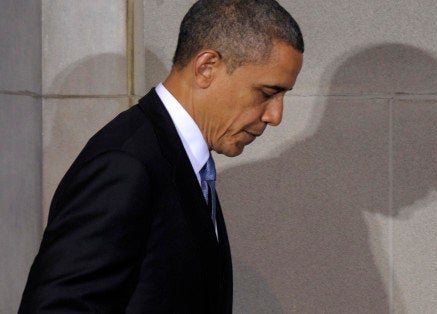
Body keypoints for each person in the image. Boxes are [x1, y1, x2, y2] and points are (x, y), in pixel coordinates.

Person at [19, 0, 303, 312]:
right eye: (266, 93)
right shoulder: (125, 165)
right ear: (206, 67)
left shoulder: (181, 160)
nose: (275, 116)